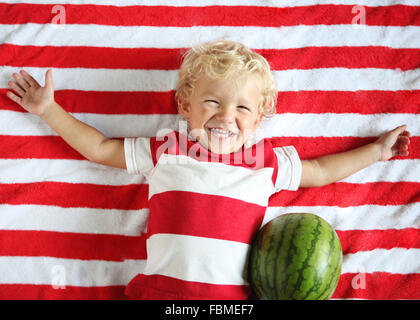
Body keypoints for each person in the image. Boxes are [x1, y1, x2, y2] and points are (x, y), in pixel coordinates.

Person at [6, 40, 410, 300]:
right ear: (185, 107)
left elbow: (320, 170)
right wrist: (50, 111)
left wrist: (375, 151)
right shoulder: (168, 149)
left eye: (242, 108)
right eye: (212, 103)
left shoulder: (266, 162)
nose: (226, 117)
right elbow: (99, 147)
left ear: (258, 122)